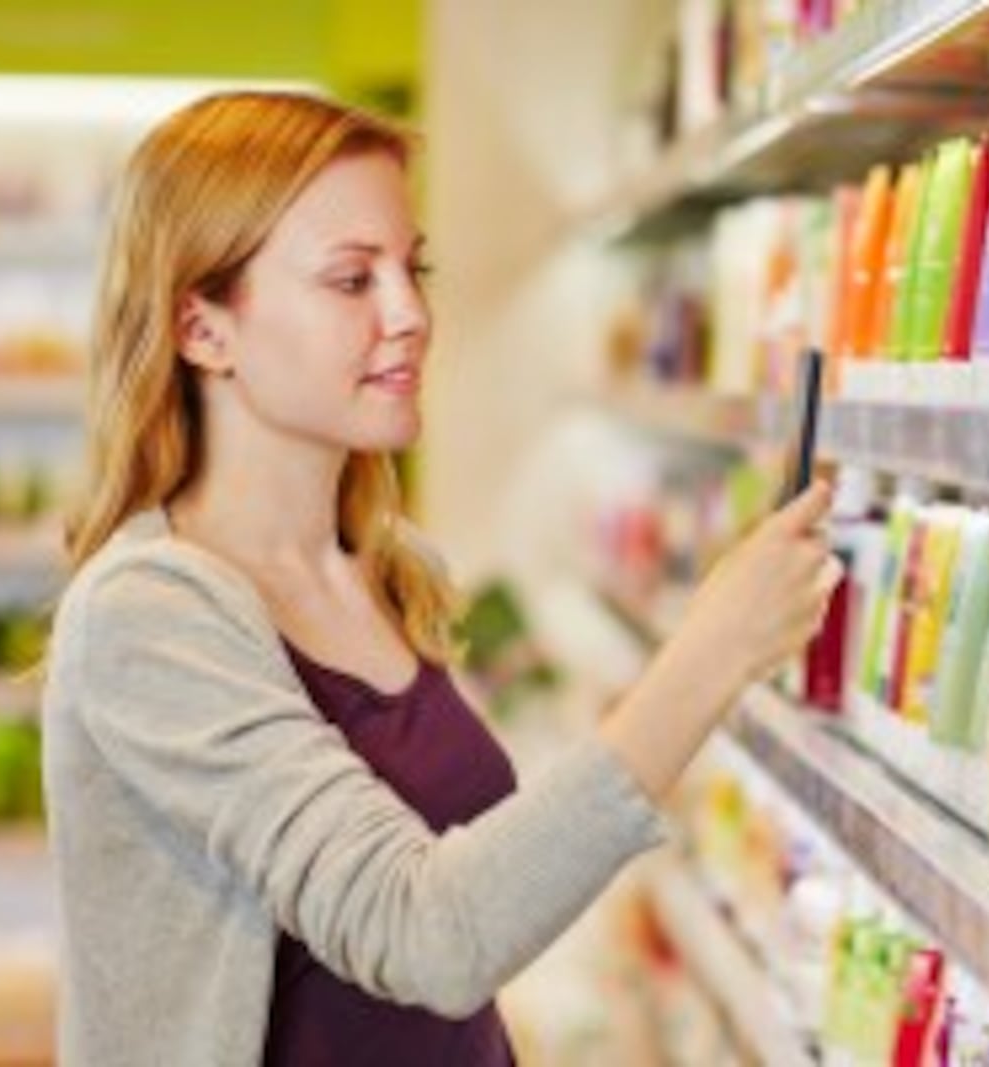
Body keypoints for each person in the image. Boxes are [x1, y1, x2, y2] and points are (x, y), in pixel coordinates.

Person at [42, 90, 840, 1067]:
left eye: (410, 268)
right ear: (203, 330)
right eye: (350, 280)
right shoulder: (144, 616)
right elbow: (425, 931)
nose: (410, 313)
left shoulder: (385, 570)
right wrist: (713, 650)